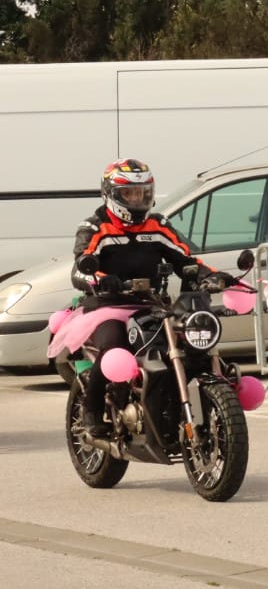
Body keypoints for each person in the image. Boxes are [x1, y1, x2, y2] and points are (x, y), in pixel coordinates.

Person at [70, 159, 226, 437]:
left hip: (149, 305)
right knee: (113, 348)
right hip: (107, 306)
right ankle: (92, 410)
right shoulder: (95, 227)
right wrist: (101, 279)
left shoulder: (157, 224)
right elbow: (80, 269)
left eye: (142, 193)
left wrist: (210, 276)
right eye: (129, 193)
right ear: (111, 194)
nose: (136, 199)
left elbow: (185, 259)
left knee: (188, 345)